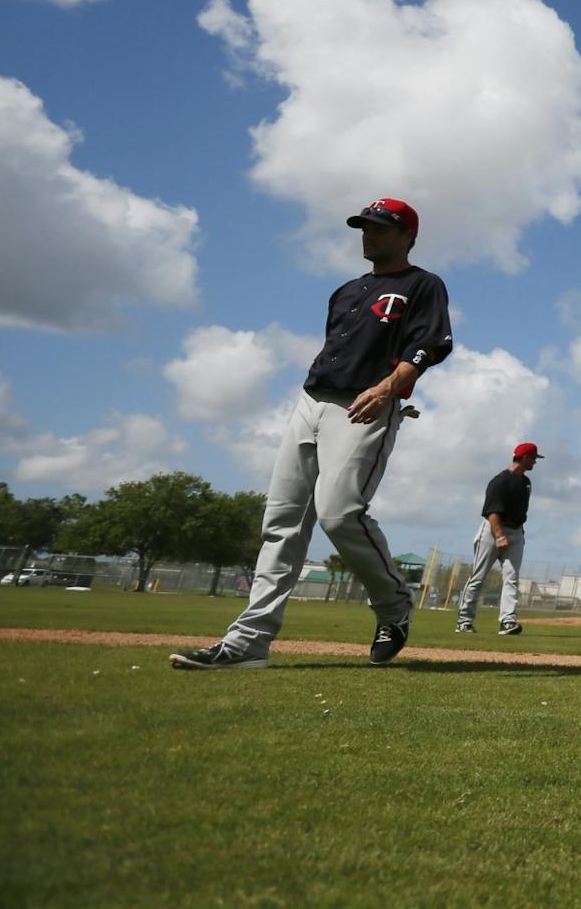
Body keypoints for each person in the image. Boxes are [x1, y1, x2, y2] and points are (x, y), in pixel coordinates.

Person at [172, 198, 451, 671]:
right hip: (310, 402)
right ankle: (248, 643)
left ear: (408, 236)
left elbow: (429, 345)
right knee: (281, 523)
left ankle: (393, 605)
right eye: (365, 226)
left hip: (365, 404)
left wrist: (387, 389)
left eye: (381, 227)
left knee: (340, 515)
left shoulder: (422, 284)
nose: (369, 234)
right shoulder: (346, 290)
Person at [456, 442, 540, 635]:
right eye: (534, 458)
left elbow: (520, 511)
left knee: (511, 578)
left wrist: (519, 533)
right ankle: (464, 621)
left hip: (516, 532)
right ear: (525, 458)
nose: (535, 462)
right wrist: (499, 535)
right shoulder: (500, 481)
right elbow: (491, 511)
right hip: (493, 531)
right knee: (478, 577)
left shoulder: (526, 483)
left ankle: (507, 621)